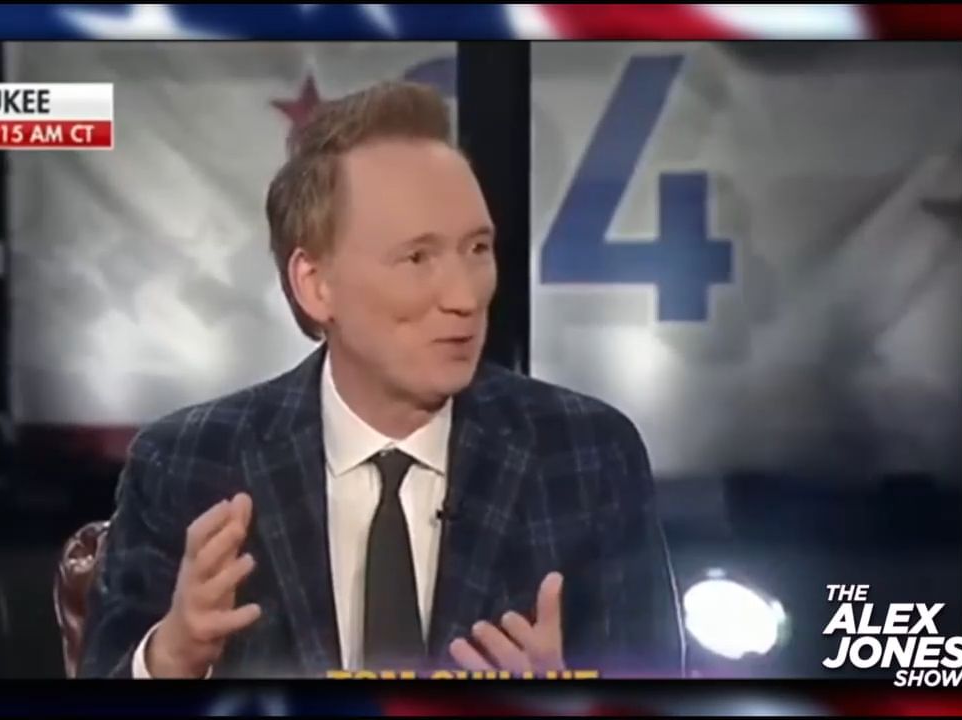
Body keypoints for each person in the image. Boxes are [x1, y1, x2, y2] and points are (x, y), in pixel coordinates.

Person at [78, 80, 685, 679]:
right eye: (418, 257)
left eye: (477, 249)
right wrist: (172, 658)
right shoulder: (188, 465)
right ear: (316, 285)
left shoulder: (584, 454)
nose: (464, 296)